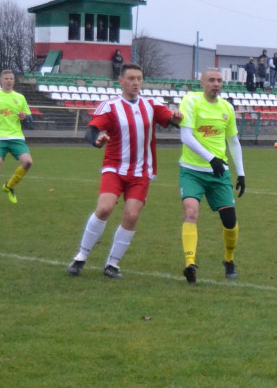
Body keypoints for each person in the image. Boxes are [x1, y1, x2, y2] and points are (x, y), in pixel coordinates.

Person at [66, 63, 181, 279]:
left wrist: (176, 116)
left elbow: (173, 121)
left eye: (139, 78)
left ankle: (112, 264)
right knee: (104, 209)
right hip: (115, 168)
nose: (136, 82)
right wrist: (97, 140)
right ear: (121, 81)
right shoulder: (110, 106)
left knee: (131, 215)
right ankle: (80, 257)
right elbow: (90, 131)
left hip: (141, 172)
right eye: (131, 78)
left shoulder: (151, 104)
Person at [177, 68, 246, 283]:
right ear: (202, 82)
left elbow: (233, 142)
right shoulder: (190, 101)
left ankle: (229, 259)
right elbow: (186, 136)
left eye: (219, 80)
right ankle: (190, 263)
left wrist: (241, 173)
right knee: (190, 212)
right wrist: (210, 158)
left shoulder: (227, 108)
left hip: (219, 173)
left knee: (230, 222)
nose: (216, 84)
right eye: (211, 80)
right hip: (192, 171)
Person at [0, 71, 32, 210]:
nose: (9, 81)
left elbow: (28, 118)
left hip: (16, 137)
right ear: (1, 81)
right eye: (6, 78)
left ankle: (9, 187)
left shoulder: (20, 97)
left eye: (11, 78)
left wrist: (24, 117)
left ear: (14, 81)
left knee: (28, 162)